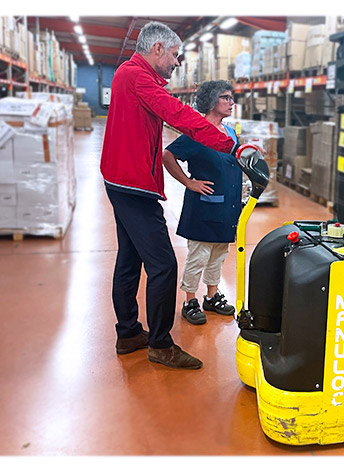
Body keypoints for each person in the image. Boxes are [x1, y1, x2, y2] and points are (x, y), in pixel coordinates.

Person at [100, 22, 248, 371]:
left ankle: (129, 333)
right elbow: (177, 115)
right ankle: (161, 345)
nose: (177, 62)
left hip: (122, 178)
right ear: (157, 49)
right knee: (164, 266)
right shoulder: (137, 77)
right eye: (174, 55)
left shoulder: (131, 75)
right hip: (133, 184)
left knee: (129, 260)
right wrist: (230, 145)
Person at [162, 81, 241, 325]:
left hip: (227, 204)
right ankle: (189, 300)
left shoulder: (230, 132)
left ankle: (211, 296)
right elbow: (167, 155)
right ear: (211, 101)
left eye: (231, 98)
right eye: (226, 98)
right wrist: (189, 182)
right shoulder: (197, 132)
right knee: (199, 255)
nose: (231, 102)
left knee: (218, 254)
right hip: (204, 205)